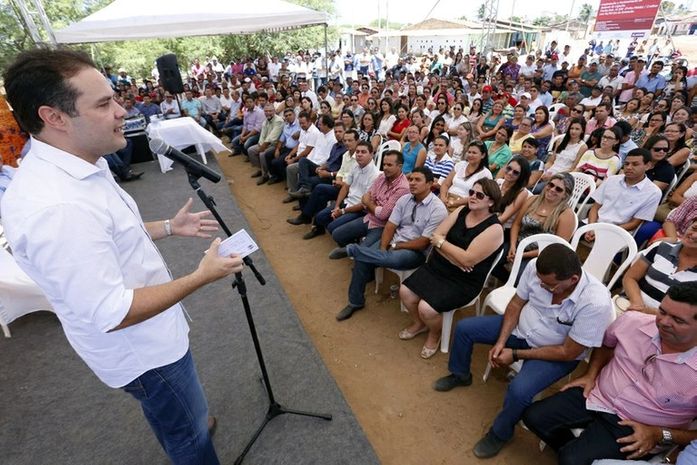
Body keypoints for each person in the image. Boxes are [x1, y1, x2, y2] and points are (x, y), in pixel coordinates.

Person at [1, 49, 245, 465]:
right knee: (189, 438)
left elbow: (111, 237)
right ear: (53, 117)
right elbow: (112, 312)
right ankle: (189, 434)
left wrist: (168, 227)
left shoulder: (78, 168)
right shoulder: (58, 208)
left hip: (150, 339)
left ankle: (185, 423)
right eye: (103, 104)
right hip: (145, 351)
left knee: (175, 415)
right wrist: (201, 276)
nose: (121, 111)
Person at [434, 244, 613, 458]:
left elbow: (568, 352)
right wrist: (501, 342)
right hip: (521, 329)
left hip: (555, 353)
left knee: (519, 390)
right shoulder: (537, 271)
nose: (542, 285)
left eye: (549, 285)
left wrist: (516, 354)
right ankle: (460, 374)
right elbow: (516, 304)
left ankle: (500, 433)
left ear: (573, 280)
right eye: (540, 280)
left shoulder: (595, 303)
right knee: (465, 329)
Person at [522, 281, 697, 465]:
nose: (663, 322)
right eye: (662, 311)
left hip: (639, 427)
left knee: (571, 459)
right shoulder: (633, 321)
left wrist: (660, 434)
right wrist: (591, 374)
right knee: (533, 417)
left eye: (678, 320)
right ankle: (578, 452)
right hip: (598, 395)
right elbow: (607, 344)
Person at [400, 178, 504, 358]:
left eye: (479, 195)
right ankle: (419, 324)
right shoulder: (462, 210)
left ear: (491, 201)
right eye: (471, 192)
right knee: (405, 292)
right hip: (439, 267)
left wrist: (443, 245)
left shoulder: (494, 229)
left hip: (463, 280)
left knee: (427, 308)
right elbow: (436, 236)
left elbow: (467, 259)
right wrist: (454, 256)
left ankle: (435, 334)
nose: (473, 197)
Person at [335, 167, 448, 321]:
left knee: (387, 257)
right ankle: (355, 302)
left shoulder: (437, 209)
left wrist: (397, 246)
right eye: (411, 179)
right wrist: (382, 249)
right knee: (364, 258)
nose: (412, 183)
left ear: (429, 184)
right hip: (394, 242)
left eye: (418, 180)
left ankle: (354, 250)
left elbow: (423, 243)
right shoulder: (404, 199)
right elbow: (390, 226)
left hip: (415, 252)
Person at [327, 150, 409, 258]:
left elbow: (383, 215)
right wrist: (373, 206)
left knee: (363, 255)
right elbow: (365, 199)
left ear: (400, 166)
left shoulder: (402, 187)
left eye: (389, 165)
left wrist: (369, 204)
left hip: (382, 226)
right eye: (384, 164)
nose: (385, 168)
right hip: (369, 218)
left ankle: (356, 253)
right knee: (337, 234)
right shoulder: (381, 177)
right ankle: (355, 250)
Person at [621, 220, 697, 315]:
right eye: (694, 228)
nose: (694, 235)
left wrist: (651, 312)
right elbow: (630, 277)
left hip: (666, 323)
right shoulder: (661, 247)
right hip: (631, 305)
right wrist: (637, 304)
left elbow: (690, 315)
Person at [584, 149, 662, 241]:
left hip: (619, 232)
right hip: (593, 224)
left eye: (635, 164)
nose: (629, 167)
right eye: (626, 164)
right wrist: (591, 227)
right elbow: (595, 208)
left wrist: (603, 232)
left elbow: (634, 223)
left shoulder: (653, 192)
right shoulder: (612, 180)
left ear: (648, 166)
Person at [440, 141, 492, 212]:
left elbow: (478, 196)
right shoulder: (460, 164)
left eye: (474, 153)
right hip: (447, 199)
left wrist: (454, 203)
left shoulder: (485, 174)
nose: (470, 155)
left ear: (483, 155)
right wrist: (443, 198)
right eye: (469, 152)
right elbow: (446, 183)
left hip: (465, 205)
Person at [248, 103, 283, 180]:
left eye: (270, 111)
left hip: (275, 145)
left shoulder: (279, 121)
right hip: (265, 144)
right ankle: (261, 169)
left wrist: (262, 147)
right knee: (251, 150)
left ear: (274, 111)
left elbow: (272, 138)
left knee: (262, 154)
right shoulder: (265, 121)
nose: (268, 113)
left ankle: (265, 175)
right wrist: (260, 145)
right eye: (266, 111)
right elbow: (262, 136)